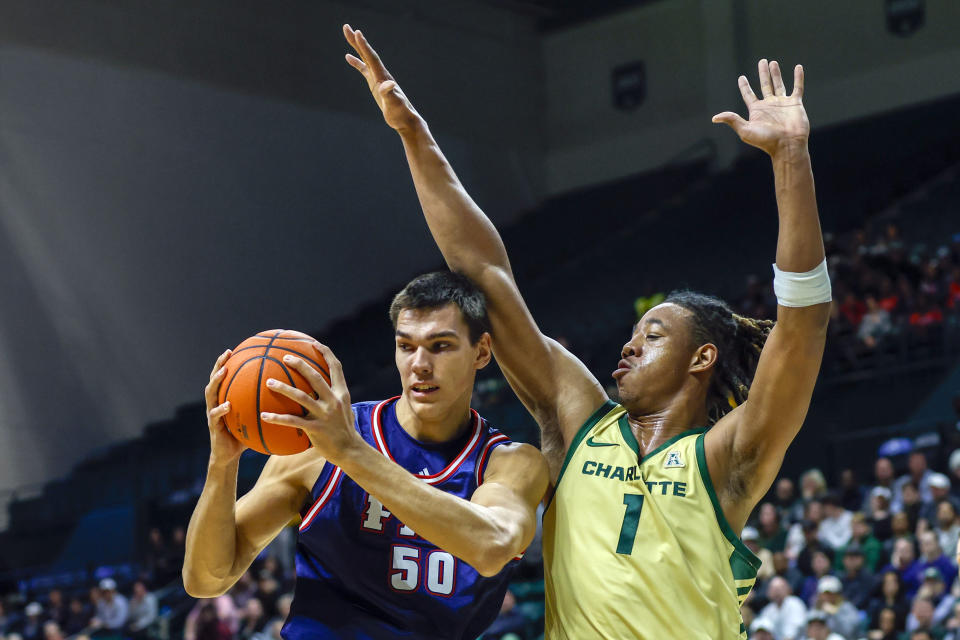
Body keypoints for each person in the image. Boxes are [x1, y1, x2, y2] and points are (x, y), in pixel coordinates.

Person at [344, 23, 832, 640]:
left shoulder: (724, 455)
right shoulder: (580, 421)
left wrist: (790, 158)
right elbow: (485, 273)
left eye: (653, 335)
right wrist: (414, 136)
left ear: (701, 358)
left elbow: (804, 325)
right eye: (633, 332)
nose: (628, 345)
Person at [183, 272, 549, 639]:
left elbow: (491, 546)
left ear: (482, 352)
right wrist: (223, 463)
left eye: (440, 346)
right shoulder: (318, 444)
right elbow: (205, 579)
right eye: (406, 346)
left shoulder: (509, 463)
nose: (419, 364)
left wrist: (352, 454)